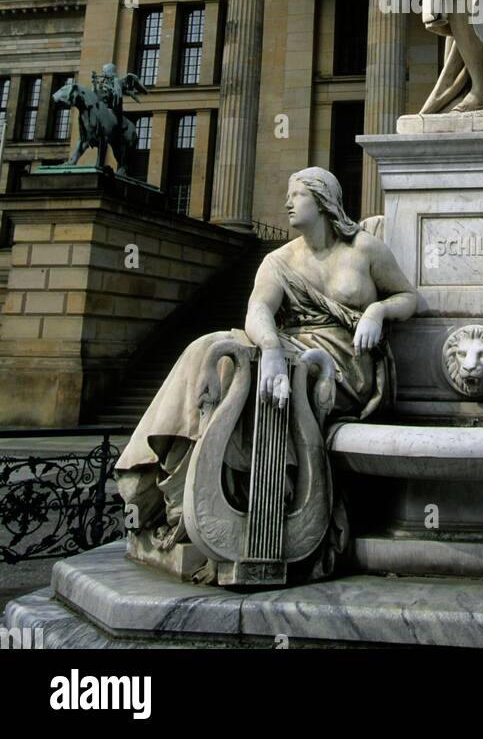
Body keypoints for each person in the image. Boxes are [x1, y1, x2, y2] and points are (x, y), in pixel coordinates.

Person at [116, 167, 416, 561]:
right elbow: (258, 309)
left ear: (323, 200)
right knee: (211, 350)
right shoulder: (279, 260)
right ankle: (186, 491)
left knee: (280, 373)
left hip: (347, 363)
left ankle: (269, 508)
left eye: (297, 195)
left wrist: (377, 311)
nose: (287, 203)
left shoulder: (364, 249)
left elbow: (409, 298)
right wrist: (272, 348)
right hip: (292, 347)